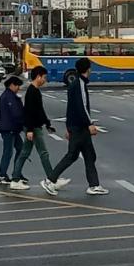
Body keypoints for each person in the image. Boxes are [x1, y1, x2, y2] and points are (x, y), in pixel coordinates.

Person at [41, 58, 108, 196]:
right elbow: (81, 106)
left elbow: (70, 108)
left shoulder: (75, 83)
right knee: (72, 155)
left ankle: (94, 185)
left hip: (76, 126)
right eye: (90, 67)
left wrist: (68, 127)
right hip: (80, 127)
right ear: (88, 69)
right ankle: (50, 180)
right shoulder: (80, 84)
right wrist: (89, 124)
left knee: (89, 155)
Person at [10, 66, 70, 191]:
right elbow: (29, 112)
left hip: (35, 126)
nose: (45, 80)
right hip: (33, 128)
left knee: (25, 153)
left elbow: (39, 111)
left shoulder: (35, 91)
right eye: (44, 77)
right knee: (43, 153)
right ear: (38, 77)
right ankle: (51, 179)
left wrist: (47, 124)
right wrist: (30, 129)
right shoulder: (32, 92)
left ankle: (16, 179)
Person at [0, 76, 24, 185]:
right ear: (12, 85)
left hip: (12, 128)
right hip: (9, 128)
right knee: (8, 152)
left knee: (21, 149)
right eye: (18, 86)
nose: (19, 88)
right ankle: (2, 175)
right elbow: (16, 113)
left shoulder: (10, 95)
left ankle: (16, 173)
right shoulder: (9, 97)